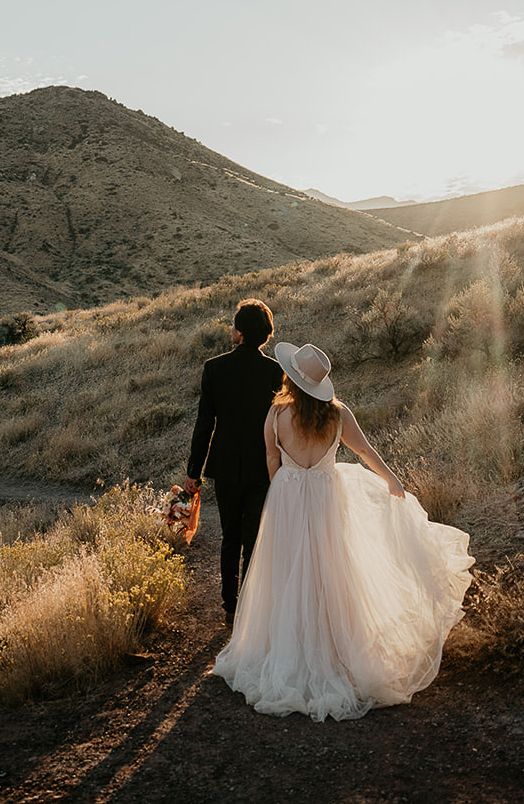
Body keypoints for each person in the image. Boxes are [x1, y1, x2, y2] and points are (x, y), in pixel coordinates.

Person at [211, 341, 475, 721]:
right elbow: (365, 452)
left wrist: (283, 490)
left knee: (287, 571)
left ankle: (288, 648)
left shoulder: (276, 413)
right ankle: (334, 649)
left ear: (291, 377)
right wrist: (392, 479)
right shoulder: (338, 415)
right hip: (325, 497)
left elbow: (271, 457)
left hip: (286, 496)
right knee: (330, 570)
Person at [186, 298, 283, 629]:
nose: (231, 329)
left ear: (240, 332)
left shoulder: (214, 368)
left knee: (230, 536)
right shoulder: (273, 371)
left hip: (225, 466)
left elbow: (205, 425)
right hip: (263, 467)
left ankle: (231, 607)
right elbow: (279, 425)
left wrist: (192, 473)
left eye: (233, 325)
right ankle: (251, 606)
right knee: (254, 538)